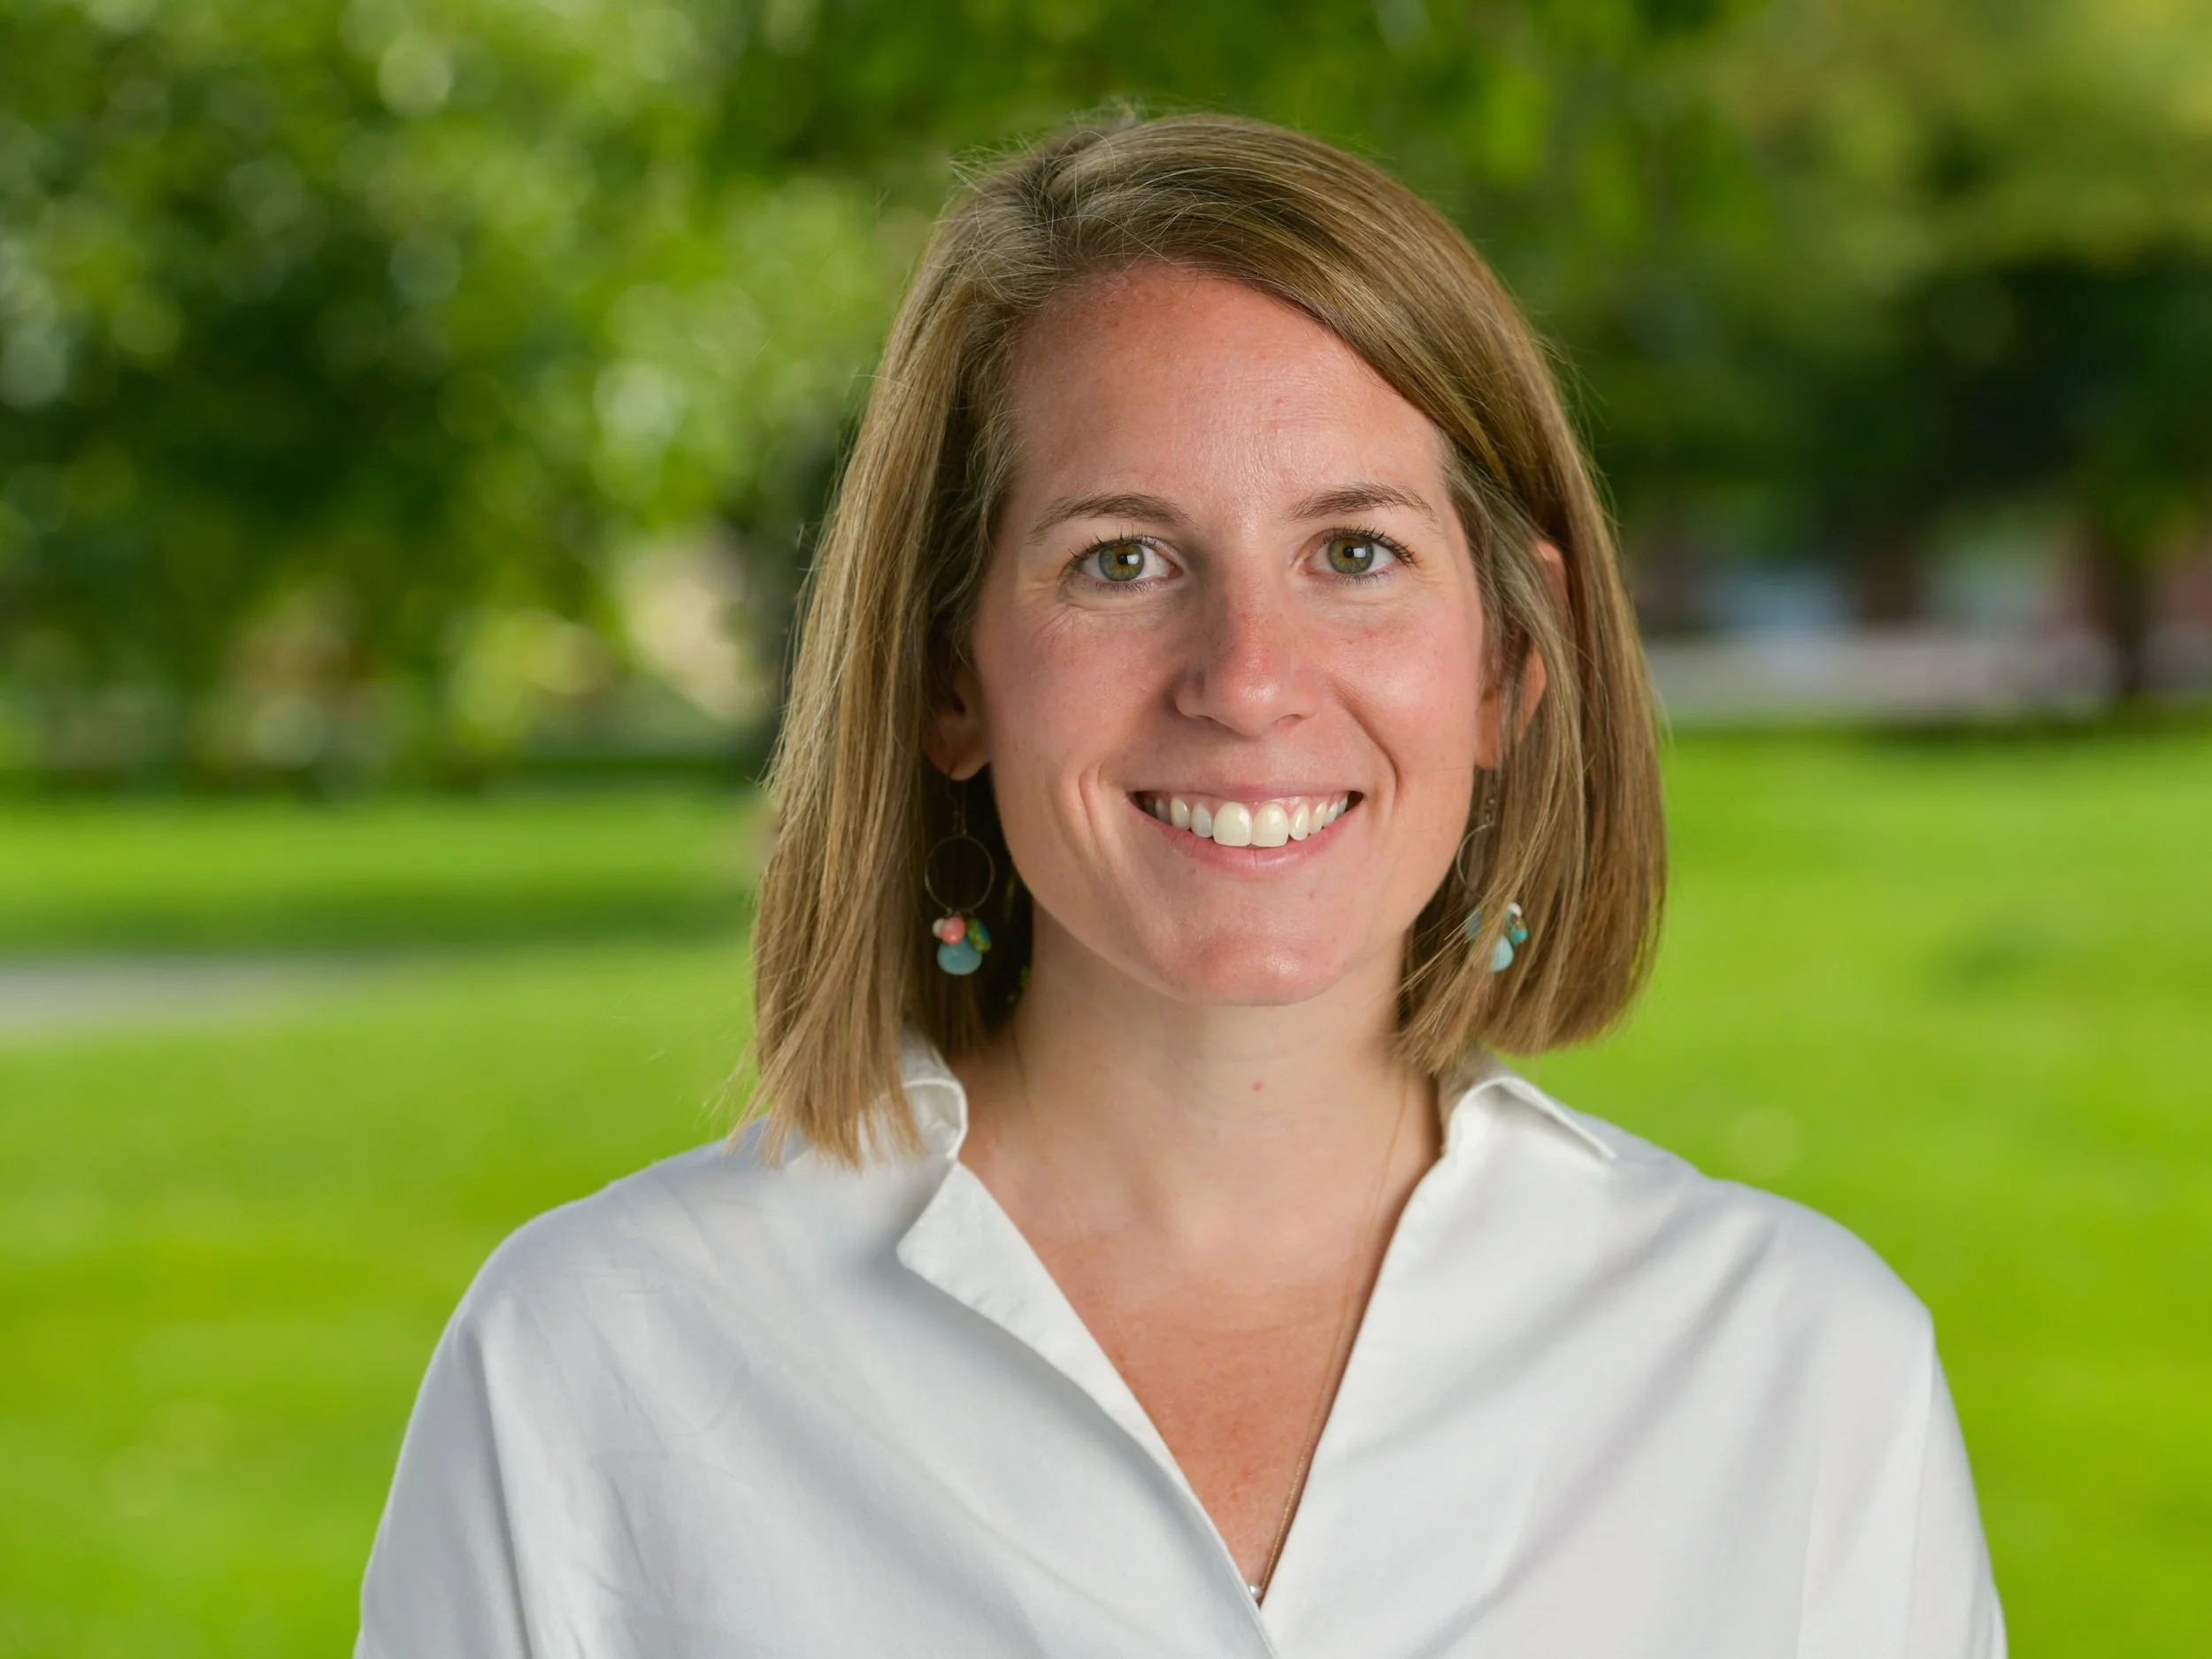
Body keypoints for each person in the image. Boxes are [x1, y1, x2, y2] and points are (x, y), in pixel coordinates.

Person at [358, 114, 2005, 1657]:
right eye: (1122, 559)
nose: (1248, 676)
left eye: (1356, 552)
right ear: (948, 676)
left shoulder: (1800, 1366)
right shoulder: (594, 1366)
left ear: (1513, 657)